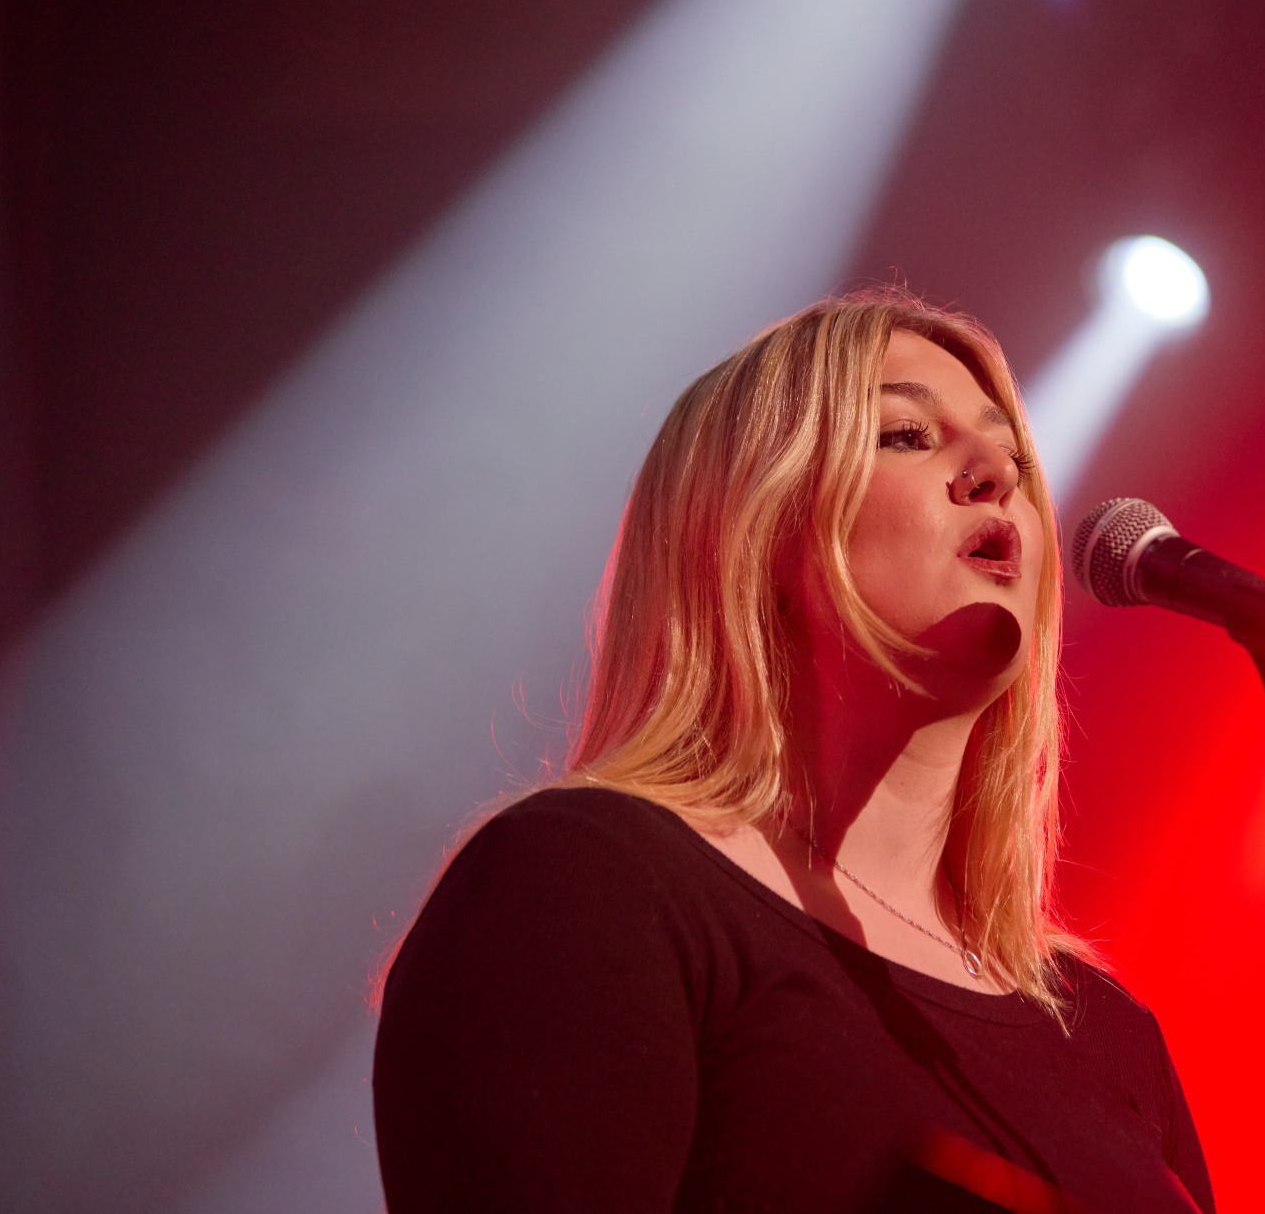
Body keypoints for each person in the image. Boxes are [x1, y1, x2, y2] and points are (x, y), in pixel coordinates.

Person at [371, 290, 1216, 1213]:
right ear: (757, 529)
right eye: (906, 435)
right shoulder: (589, 885)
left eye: (1013, 457)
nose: (995, 475)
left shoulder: (1106, 1030)